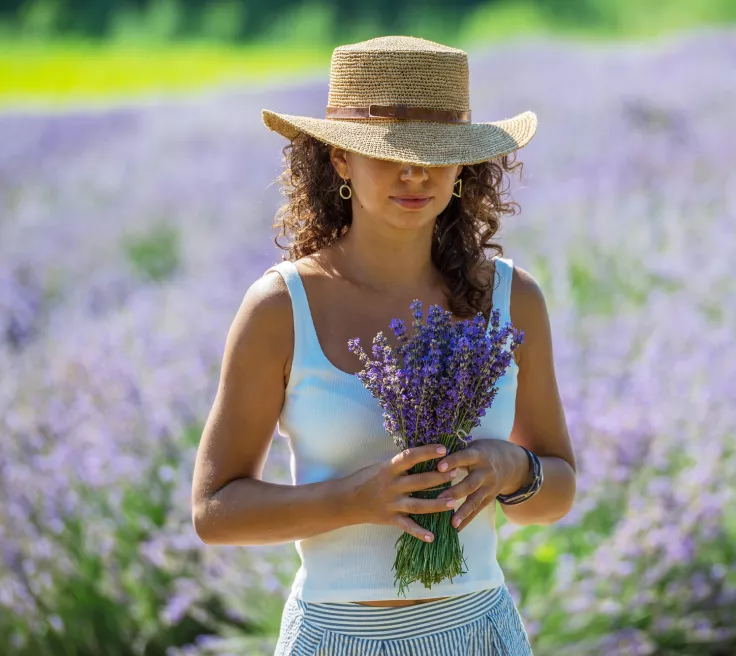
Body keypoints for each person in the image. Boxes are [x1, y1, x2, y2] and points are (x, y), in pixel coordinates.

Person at [191, 35, 577, 655]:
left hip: (478, 633)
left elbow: (555, 492)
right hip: (336, 638)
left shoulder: (513, 298)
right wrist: (354, 499)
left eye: (438, 154)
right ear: (339, 159)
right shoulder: (280, 308)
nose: (416, 173)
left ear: (464, 164)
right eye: (389, 152)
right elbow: (215, 510)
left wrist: (510, 470)